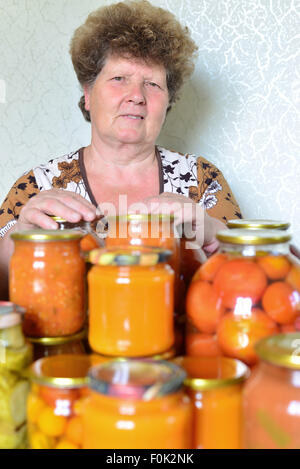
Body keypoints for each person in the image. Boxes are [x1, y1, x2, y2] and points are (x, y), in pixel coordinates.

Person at [0, 0, 242, 299]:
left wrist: (212, 231)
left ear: (168, 102)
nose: (136, 96)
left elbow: (254, 279)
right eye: (119, 79)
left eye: (153, 84)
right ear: (88, 95)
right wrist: (17, 242)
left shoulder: (202, 179)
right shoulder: (37, 186)